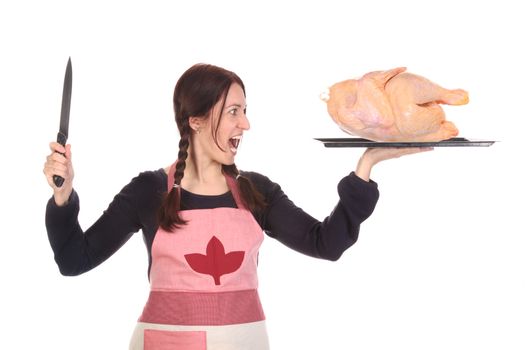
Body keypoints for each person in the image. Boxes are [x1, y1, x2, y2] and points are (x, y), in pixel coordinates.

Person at [43, 63, 431, 349]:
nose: (245, 124)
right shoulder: (148, 191)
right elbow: (74, 260)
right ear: (195, 120)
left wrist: (366, 165)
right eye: (234, 111)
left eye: (244, 111)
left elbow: (325, 244)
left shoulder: (255, 191)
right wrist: (64, 195)